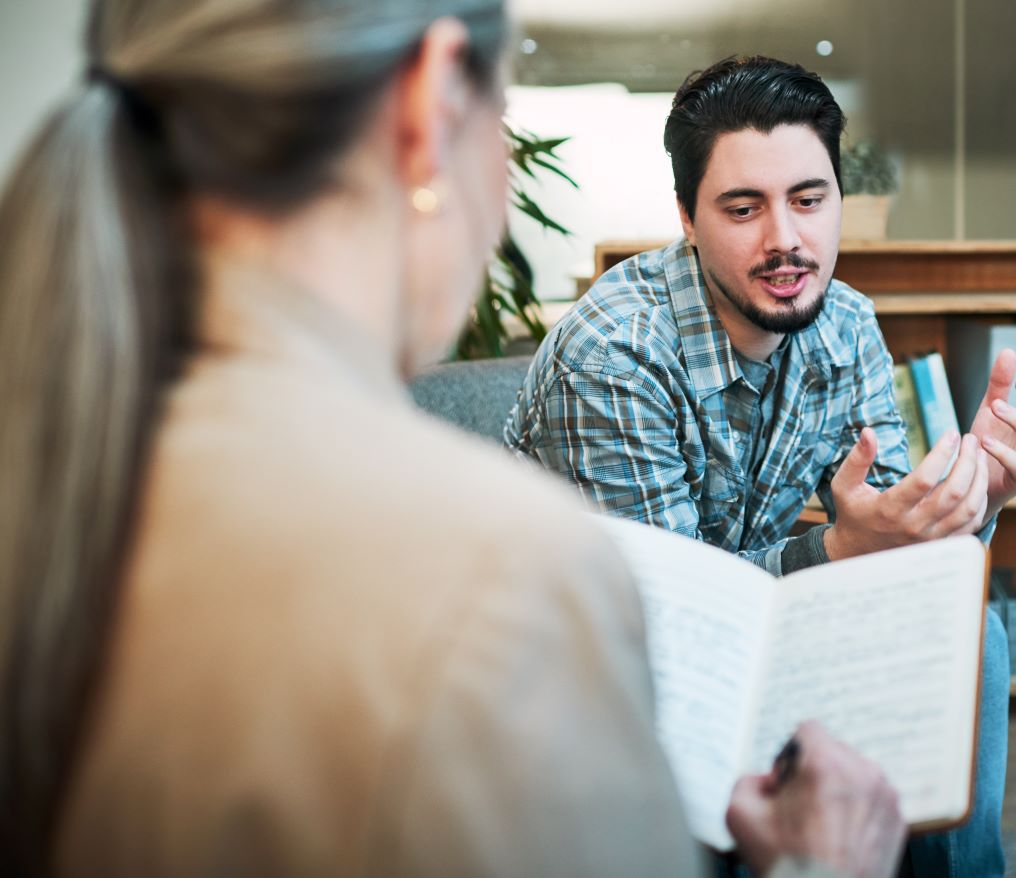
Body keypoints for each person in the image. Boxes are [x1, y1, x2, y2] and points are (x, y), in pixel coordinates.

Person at [0, 2, 912, 876]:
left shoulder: (62, 466)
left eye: (809, 198)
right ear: (433, 108)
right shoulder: (516, 578)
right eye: (503, 115)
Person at [505, 55, 1016, 877]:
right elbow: (673, 624)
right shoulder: (615, 354)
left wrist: (966, 499)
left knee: (967, 630)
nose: (787, 240)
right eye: (743, 207)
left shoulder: (845, 327)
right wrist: (837, 554)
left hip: (743, 632)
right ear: (687, 219)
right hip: (585, 671)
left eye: (809, 200)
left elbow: (898, 558)